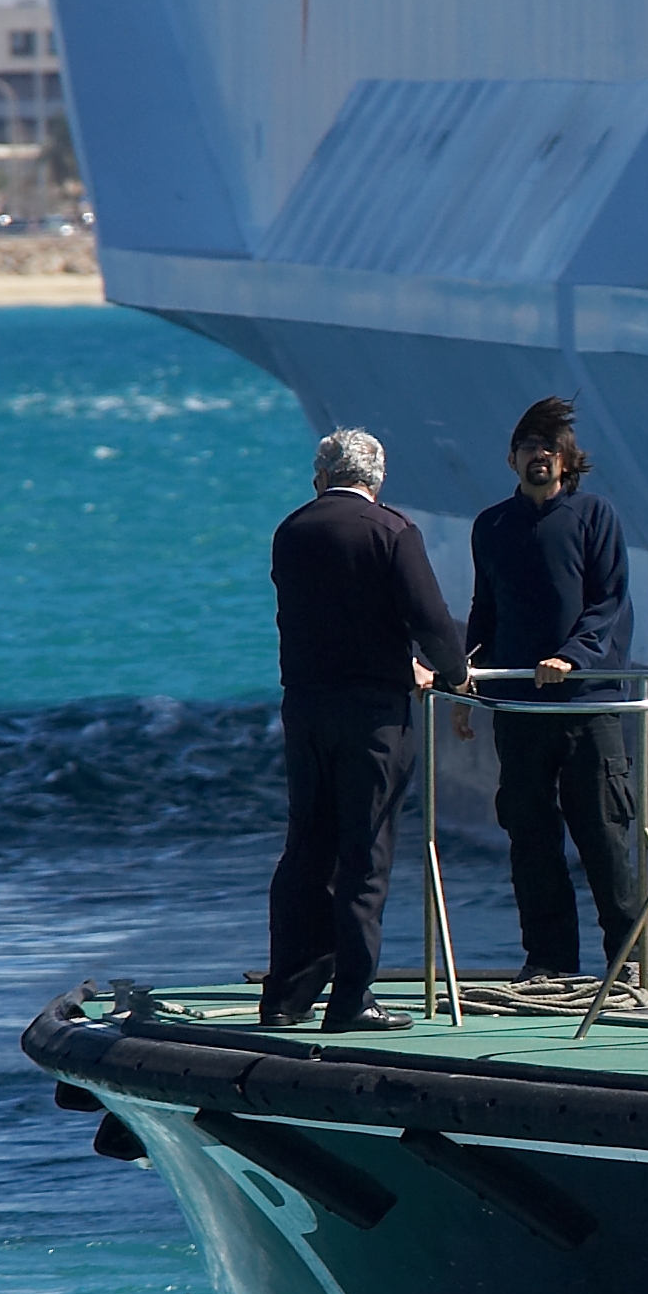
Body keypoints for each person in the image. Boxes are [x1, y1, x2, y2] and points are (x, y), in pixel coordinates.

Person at [259, 428, 469, 1030]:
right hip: (373, 716)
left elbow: (316, 614)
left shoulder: (291, 531)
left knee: (306, 848)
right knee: (365, 854)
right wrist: (452, 673)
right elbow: (427, 617)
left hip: (305, 707)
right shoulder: (393, 531)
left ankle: (287, 997)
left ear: (320, 477)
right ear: (377, 479)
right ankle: (352, 1000)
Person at [468, 394, 645, 984]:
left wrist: (572, 658)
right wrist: (465, 676)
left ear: (568, 462)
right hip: (516, 708)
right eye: (528, 448)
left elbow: (610, 606)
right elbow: (484, 612)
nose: (538, 456)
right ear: (511, 458)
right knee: (529, 838)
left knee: (603, 837)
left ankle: (628, 965)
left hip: (585, 709)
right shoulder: (491, 525)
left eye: (550, 449)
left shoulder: (595, 517)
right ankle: (548, 962)